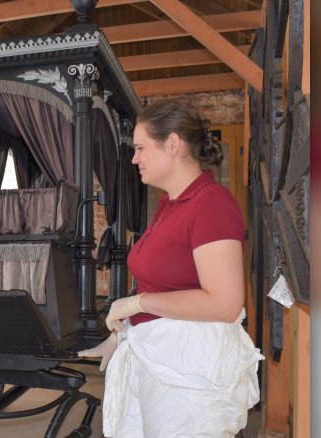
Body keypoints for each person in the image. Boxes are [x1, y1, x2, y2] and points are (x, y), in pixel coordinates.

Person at [79, 99, 263, 437]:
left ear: (173, 144)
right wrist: (125, 334)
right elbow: (168, 285)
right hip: (160, 358)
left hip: (190, 371)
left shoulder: (211, 204)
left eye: (140, 147)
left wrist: (137, 303)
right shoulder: (169, 203)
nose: (134, 158)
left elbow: (224, 304)